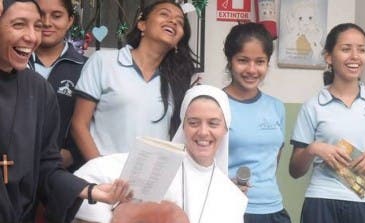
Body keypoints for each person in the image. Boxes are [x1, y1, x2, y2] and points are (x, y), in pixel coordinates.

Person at [0, 1, 132, 222]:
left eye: (37, 26)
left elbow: (46, 166)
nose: (32, 37)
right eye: (19, 25)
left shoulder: (39, 91)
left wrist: (90, 190)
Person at [73, 85, 248, 223]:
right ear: (183, 126)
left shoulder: (232, 196)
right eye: (193, 122)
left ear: (226, 129)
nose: (203, 132)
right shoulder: (156, 163)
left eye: (213, 123)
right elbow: (83, 178)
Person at [70, 0, 196, 161]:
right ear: (142, 24)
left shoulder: (175, 82)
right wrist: (101, 171)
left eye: (180, 22)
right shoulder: (103, 61)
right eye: (164, 14)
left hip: (150, 180)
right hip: (104, 177)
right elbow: (79, 125)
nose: (173, 21)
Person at [289, 23, 365, 223]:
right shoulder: (312, 106)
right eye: (345, 49)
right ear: (328, 57)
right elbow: (295, 171)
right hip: (321, 199)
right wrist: (313, 149)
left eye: (361, 50)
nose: (355, 56)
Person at [223, 23, 291, 223]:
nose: (252, 70)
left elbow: (274, 159)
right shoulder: (215, 104)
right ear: (230, 61)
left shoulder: (277, 107)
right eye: (243, 60)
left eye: (260, 61)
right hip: (230, 209)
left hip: (273, 208)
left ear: (267, 63)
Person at [28, 0, 86, 172]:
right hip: (13, 170)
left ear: (70, 20)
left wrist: (73, 153)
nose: (46, 22)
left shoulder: (85, 67)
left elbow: (93, 120)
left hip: (64, 172)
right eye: (40, 15)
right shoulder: (13, 63)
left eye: (57, 16)